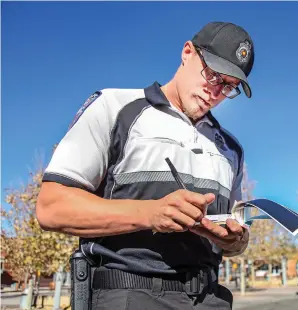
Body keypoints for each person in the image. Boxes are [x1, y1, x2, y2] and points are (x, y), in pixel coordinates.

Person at [36, 21, 255, 310]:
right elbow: (51, 208)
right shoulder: (114, 108)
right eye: (213, 75)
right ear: (187, 52)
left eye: (229, 87)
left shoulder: (231, 148)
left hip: (211, 299)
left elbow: (235, 243)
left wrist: (234, 241)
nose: (216, 92)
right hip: (130, 294)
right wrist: (150, 214)